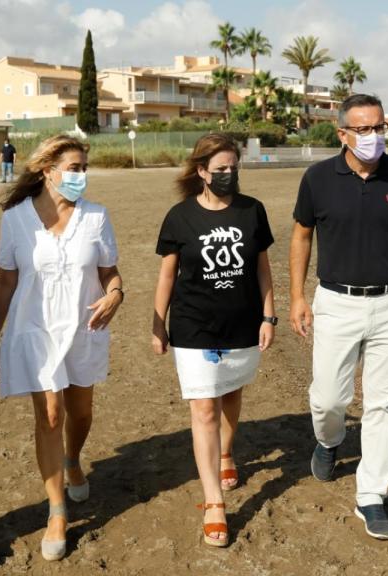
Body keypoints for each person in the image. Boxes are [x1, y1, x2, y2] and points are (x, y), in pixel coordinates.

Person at [289, 94, 388, 541]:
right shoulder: (317, 178)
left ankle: (371, 496)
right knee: (328, 399)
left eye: (379, 128)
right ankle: (330, 441)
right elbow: (300, 237)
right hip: (335, 301)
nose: (373, 137)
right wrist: (297, 296)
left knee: (383, 403)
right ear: (343, 134)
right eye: (363, 129)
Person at [0, 135, 122, 561]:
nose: (81, 175)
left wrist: (116, 294)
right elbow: (6, 280)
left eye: (84, 168)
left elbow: (110, 274)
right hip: (35, 330)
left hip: (83, 329)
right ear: (48, 170)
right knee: (49, 414)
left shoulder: (96, 217)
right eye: (74, 168)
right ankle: (57, 512)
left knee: (80, 412)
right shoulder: (15, 219)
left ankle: (73, 458)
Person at [151, 133, 276, 548]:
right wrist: (158, 324)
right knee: (204, 408)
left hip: (242, 322)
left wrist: (268, 315)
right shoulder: (179, 217)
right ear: (202, 172)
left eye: (233, 168)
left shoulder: (252, 211)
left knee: (232, 395)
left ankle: (226, 452)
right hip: (193, 327)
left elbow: (262, 269)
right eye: (220, 170)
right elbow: (167, 275)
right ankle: (214, 503)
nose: (228, 176)